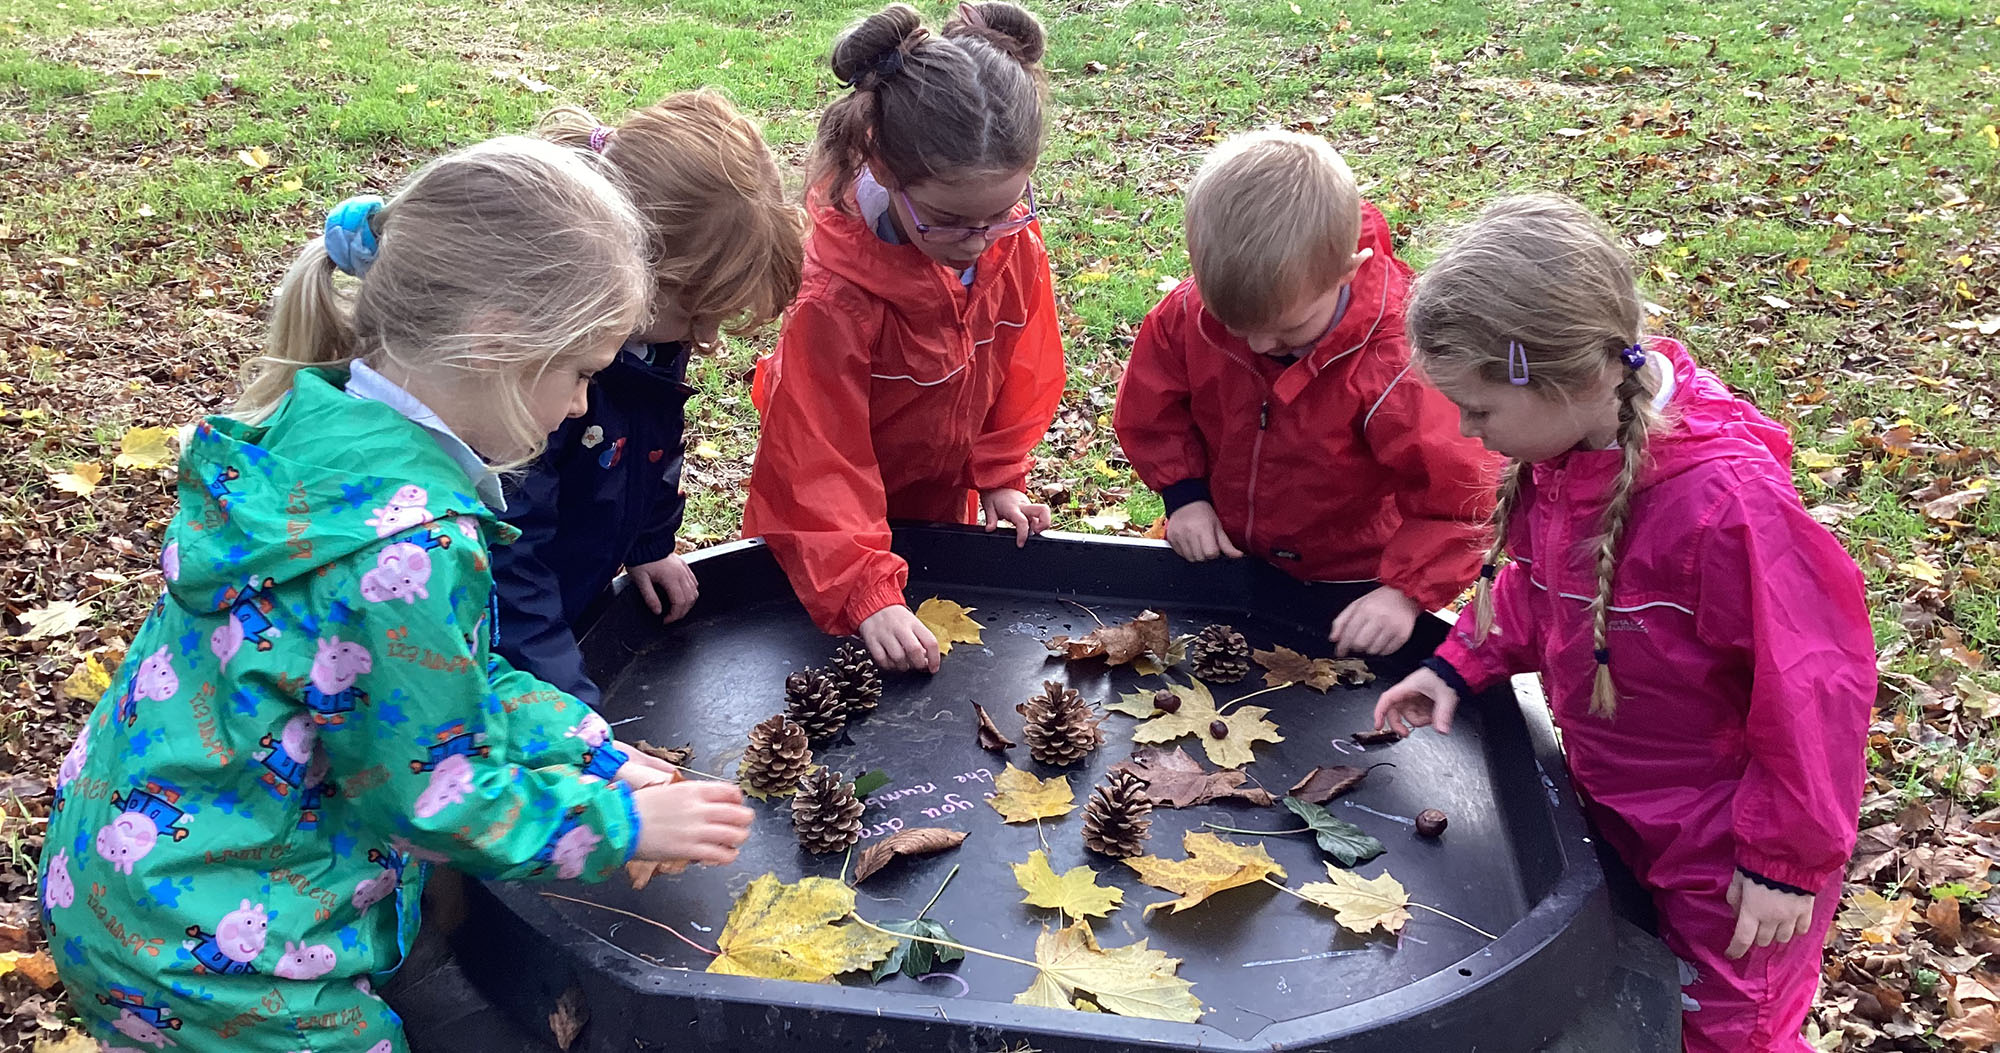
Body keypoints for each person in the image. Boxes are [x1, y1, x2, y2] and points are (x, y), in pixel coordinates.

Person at [39, 137, 753, 1052]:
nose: (582, 406)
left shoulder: (326, 429)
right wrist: (619, 822)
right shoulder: (409, 545)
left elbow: (438, 678)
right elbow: (436, 795)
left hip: (126, 877)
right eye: (581, 372)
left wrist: (591, 748)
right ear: (496, 339)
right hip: (222, 957)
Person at [1371, 194, 1874, 1052]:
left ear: (1565, 377)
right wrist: (1458, 663)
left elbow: (1815, 689)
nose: (1465, 429)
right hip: (1625, 808)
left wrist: (1782, 863)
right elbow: (1543, 588)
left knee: (1729, 1030)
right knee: (1642, 993)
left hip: (1730, 858)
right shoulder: (1571, 458)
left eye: (1480, 409)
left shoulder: (1727, 509)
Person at [741, 1, 1066, 673]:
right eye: (950, 219)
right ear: (883, 167)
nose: (978, 241)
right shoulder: (834, 299)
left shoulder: (1008, 244)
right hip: (830, 539)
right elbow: (814, 458)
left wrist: (999, 476)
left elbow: (1018, 366)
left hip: (938, 511)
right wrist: (862, 585)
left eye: (1002, 211)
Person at [1113, 130, 1496, 656]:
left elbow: (1462, 496)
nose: (1259, 345)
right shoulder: (1188, 315)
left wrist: (1405, 593)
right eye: (1234, 326)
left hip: (1352, 582)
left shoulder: (1399, 366)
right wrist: (1185, 497)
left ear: (1347, 273)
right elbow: (1153, 409)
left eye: (1288, 330)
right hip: (1228, 555)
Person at [492, 92, 806, 706]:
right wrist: (564, 701)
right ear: (631, 265)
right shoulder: (541, 378)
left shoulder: (653, 337)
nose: (708, 336)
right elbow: (510, 557)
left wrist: (647, 544)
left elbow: (652, 442)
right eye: (698, 312)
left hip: (570, 598)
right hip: (503, 641)